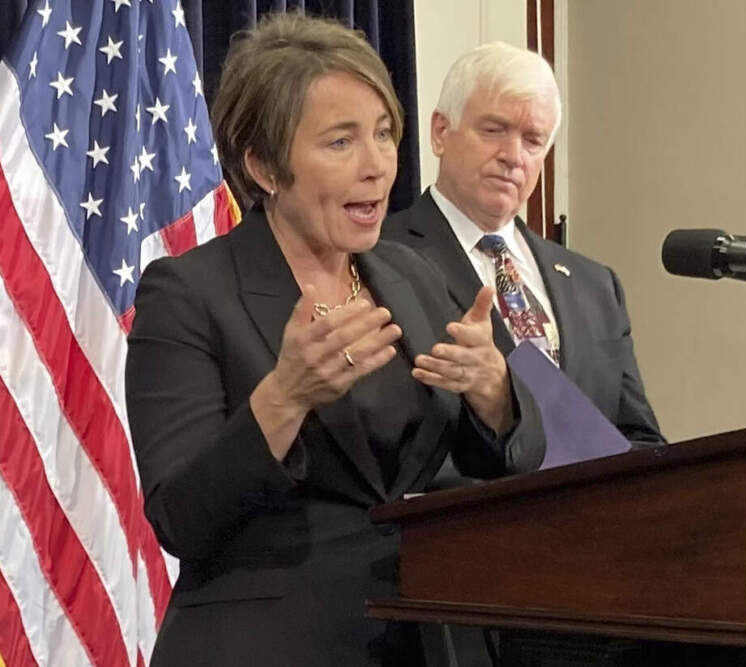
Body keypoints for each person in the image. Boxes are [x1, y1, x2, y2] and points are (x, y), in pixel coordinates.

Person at [125, 15, 544, 666]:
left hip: (424, 639)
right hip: (263, 645)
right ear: (263, 165)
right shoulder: (188, 293)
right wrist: (284, 398)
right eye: (340, 142)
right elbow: (180, 516)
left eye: (383, 134)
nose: (377, 166)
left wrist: (495, 392)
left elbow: (508, 457)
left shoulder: (412, 274)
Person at [382, 42, 665, 450]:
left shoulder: (595, 285)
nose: (513, 156)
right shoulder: (381, 258)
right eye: (494, 130)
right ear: (441, 132)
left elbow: (640, 443)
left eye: (533, 141)